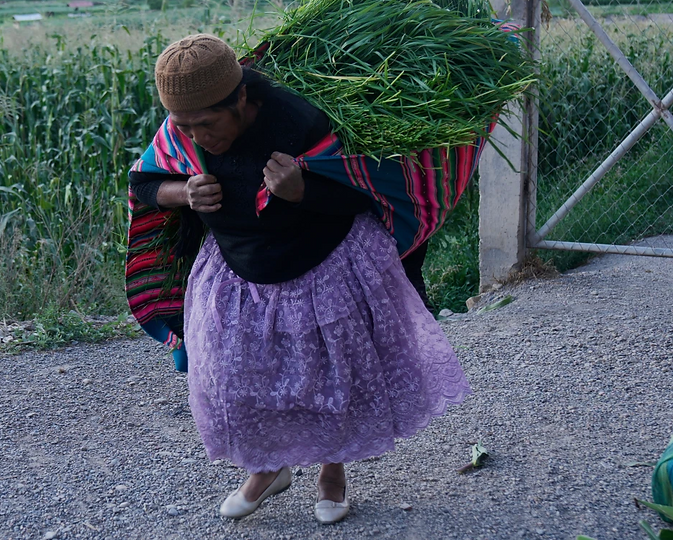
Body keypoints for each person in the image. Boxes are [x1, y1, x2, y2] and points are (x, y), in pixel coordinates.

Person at [128, 34, 471, 524]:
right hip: (237, 278)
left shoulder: (300, 122)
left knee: (333, 377)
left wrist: (301, 190)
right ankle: (268, 467)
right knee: (237, 381)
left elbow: (363, 192)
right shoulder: (182, 127)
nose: (197, 136)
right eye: (185, 126)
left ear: (242, 98)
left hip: (322, 271)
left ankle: (333, 471)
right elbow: (143, 183)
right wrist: (181, 193)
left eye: (207, 124)